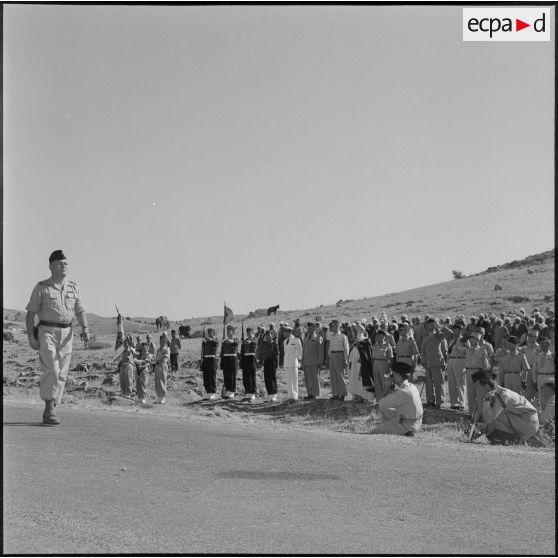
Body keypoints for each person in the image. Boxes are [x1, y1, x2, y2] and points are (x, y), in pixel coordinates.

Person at [25, 250, 90, 425]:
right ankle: (48, 406)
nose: (64, 266)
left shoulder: (73, 287)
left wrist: (85, 329)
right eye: (60, 263)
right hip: (47, 331)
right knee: (52, 369)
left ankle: (53, 405)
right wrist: (31, 337)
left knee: (62, 372)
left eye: (66, 263)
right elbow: (30, 314)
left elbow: (80, 310)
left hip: (67, 334)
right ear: (51, 267)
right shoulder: (42, 287)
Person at [472, 370, 539, 445]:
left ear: (486, 387)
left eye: (477, 386)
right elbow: (481, 414)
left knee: (493, 423)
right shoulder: (493, 393)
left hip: (528, 422)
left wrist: (480, 430)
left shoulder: (502, 395)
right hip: (520, 420)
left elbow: (489, 419)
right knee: (492, 424)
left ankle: (520, 440)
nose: (475, 389)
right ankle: (518, 440)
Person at [370, 362, 423, 436]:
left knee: (373, 432)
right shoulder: (411, 386)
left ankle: (399, 430)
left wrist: (386, 388)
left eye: (393, 374)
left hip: (408, 425)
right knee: (385, 410)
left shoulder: (403, 392)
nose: (391, 377)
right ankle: (389, 428)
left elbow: (380, 404)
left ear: (398, 376)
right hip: (415, 422)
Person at [421, 320, 448, 408]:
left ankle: (439, 401)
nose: (429, 326)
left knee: (438, 382)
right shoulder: (424, 337)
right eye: (428, 325)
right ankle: (430, 400)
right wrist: (423, 361)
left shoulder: (439, 335)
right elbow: (423, 351)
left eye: (432, 324)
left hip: (437, 361)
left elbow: (450, 333)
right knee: (429, 383)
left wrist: (439, 326)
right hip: (427, 362)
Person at [464, 332, 491, 418]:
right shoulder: (467, 350)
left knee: (479, 395)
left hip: (478, 373)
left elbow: (486, 365)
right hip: (469, 372)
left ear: (477, 340)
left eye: (473, 338)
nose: (471, 340)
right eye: (470, 338)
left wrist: (483, 373)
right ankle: (472, 413)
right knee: (470, 394)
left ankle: (480, 414)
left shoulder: (482, 351)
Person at [347, 323, 374, 402]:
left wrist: (363, 359)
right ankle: (357, 396)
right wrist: (351, 360)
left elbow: (368, 353)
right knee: (355, 379)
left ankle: (364, 397)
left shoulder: (366, 340)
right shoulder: (356, 341)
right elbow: (353, 352)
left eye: (355, 330)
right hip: (354, 363)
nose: (353, 332)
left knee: (362, 380)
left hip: (362, 364)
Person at [446, 324, 468, 410]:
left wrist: (461, 347)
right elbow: (449, 352)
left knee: (460, 382)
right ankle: (454, 402)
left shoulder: (464, 340)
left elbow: (468, 350)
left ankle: (462, 403)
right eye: (453, 330)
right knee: (451, 383)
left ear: (460, 331)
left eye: (456, 330)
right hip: (451, 360)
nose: (454, 331)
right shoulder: (452, 340)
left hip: (460, 360)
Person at [301, 322, 324, 399]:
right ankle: (309, 393)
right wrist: (302, 362)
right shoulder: (306, 338)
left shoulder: (318, 338)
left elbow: (320, 352)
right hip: (306, 362)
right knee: (307, 379)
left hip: (314, 362)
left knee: (315, 378)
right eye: (308, 328)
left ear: (314, 328)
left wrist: (320, 362)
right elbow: (303, 351)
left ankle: (316, 394)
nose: (309, 329)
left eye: (310, 327)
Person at [327, 320, 349, 400]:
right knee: (333, 375)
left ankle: (342, 394)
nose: (331, 328)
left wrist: (346, 359)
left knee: (340, 375)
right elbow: (330, 347)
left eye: (332, 326)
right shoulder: (331, 336)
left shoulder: (343, 336)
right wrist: (330, 355)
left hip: (340, 355)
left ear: (336, 326)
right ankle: (335, 394)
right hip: (332, 356)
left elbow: (346, 349)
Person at [532, 337, 555, 411]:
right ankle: (543, 414)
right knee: (541, 398)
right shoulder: (538, 356)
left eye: (543, 343)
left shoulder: (552, 355)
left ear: (548, 344)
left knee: (551, 397)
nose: (541, 345)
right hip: (540, 377)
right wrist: (534, 381)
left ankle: (551, 416)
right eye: (540, 343)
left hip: (550, 378)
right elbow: (534, 370)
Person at [257, 331, 279, 402]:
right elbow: (260, 351)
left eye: (269, 336)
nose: (268, 337)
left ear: (271, 336)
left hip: (272, 362)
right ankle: (269, 394)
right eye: (266, 336)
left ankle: (274, 394)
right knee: (267, 378)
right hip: (266, 362)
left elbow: (277, 355)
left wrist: (276, 365)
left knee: (272, 378)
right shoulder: (264, 344)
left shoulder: (274, 344)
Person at [372, 329, 393, 401]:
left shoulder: (388, 346)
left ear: (384, 336)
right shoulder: (374, 345)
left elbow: (391, 358)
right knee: (377, 383)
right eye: (378, 335)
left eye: (381, 335)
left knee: (384, 383)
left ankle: (386, 400)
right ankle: (378, 400)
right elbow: (372, 358)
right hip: (375, 365)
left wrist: (389, 368)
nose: (378, 337)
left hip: (384, 365)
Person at [220, 325, 240, 399]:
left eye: (229, 331)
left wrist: (228, 341)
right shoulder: (224, 341)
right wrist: (221, 361)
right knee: (226, 375)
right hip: (225, 359)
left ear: (233, 332)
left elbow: (236, 343)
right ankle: (227, 390)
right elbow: (222, 352)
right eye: (227, 331)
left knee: (232, 375)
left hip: (232, 358)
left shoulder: (235, 339)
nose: (228, 333)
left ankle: (232, 391)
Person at [283, 325, 302, 401]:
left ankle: (295, 396)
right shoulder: (284, 341)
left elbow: (300, 352)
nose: (283, 333)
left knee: (294, 380)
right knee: (288, 380)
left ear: (289, 332)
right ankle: (290, 396)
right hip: (287, 363)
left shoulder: (296, 340)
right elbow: (285, 352)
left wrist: (297, 359)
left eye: (284, 332)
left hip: (293, 362)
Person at [200, 328, 219, 400]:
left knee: (212, 377)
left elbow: (215, 343)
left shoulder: (215, 340)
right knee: (206, 377)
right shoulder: (206, 341)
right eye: (209, 333)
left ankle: (213, 392)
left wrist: (209, 340)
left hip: (212, 359)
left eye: (211, 333)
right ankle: (208, 392)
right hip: (205, 359)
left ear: (214, 334)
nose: (210, 334)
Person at [240, 326, 258, 401]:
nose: (248, 334)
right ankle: (248, 392)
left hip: (252, 358)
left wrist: (250, 342)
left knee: (252, 376)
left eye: (250, 332)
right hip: (245, 359)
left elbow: (255, 344)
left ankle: (253, 393)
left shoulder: (255, 340)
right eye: (247, 333)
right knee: (246, 376)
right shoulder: (245, 341)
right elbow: (242, 351)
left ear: (253, 333)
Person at [154, 335, 170, 404]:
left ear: (165, 342)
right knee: (157, 381)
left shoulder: (167, 349)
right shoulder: (158, 349)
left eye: (163, 341)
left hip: (163, 365)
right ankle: (159, 397)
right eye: (160, 341)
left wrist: (159, 360)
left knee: (163, 380)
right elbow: (156, 357)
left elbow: (165, 357)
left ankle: (163, 397)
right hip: (157, 366)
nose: (161, 343)